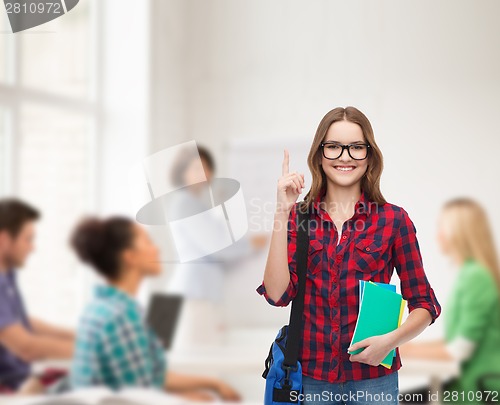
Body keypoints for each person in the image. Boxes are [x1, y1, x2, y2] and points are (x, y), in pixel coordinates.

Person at [256, 106, 442, 405]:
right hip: (310, 381)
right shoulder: (299, 218)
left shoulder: (394, 220)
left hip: (374, 384)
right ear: (319, 155)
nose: (345, 156)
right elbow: (277, 295)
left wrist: (389, 342)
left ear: (370, 156)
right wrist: (282, 210)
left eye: (356, 147)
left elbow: (425, 304)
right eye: (334, 147)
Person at [69, 216, 241, 401]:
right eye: (147, 242)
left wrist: (211, 384)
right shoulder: (122, 316)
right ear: (130, 257)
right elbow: (139, 396)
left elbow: (151, 377)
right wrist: (189, 399)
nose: (157, 248)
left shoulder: (102, 307)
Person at [399, 198, 500, 404]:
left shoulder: (476, 277)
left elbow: (459, 350)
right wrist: (403, 346)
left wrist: (397, 347)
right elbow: (457, 339)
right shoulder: (470, 274)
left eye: (442, 228)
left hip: (479, 389)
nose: (438, 236)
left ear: (460, 234)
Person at [165, 145, 267, 347]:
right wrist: (251, 245)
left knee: (198, 365)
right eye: (195, 168)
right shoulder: (185, 204)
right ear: (182, 172)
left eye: (206, 168)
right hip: (192, 298)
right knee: (198, 367)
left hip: (195, 296)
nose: (203, 174)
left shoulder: (193, 203)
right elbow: (218, 247)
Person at [0, 198, 74, 393]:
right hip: (10, 389)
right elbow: (26, 347)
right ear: (5, 239)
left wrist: (79, 335)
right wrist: (92, 350)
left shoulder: (7, 277)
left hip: (22, 380)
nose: (32, 248)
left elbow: (21, 323)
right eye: (28, 239)